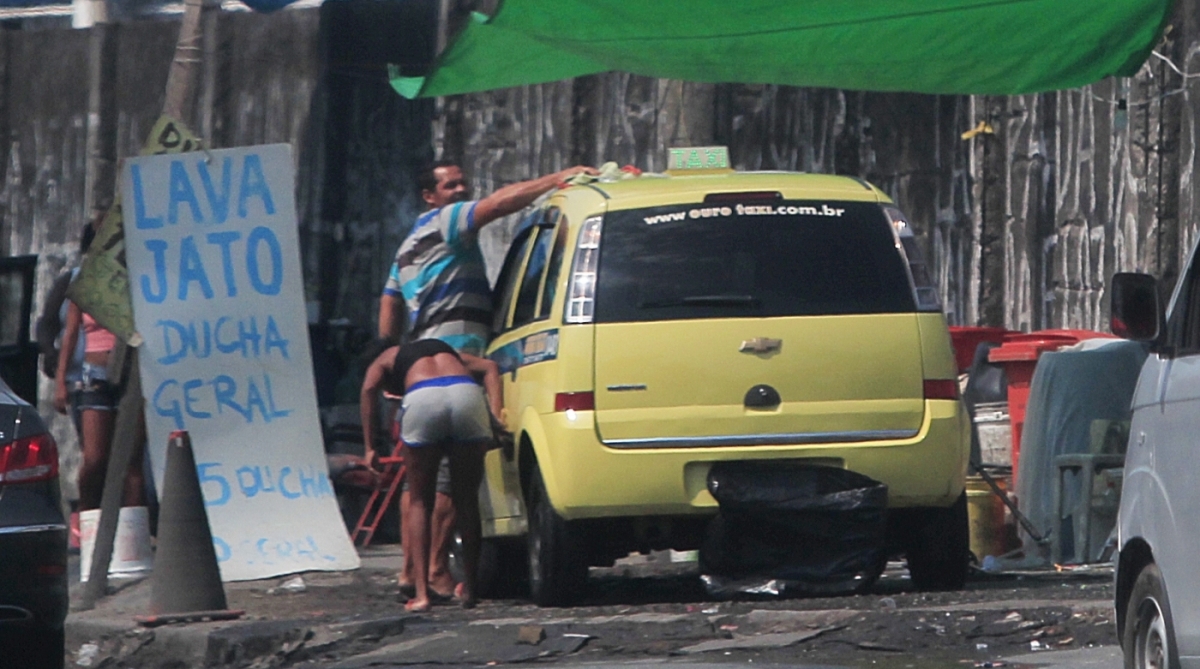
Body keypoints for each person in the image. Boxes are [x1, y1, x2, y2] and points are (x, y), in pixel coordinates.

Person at [377, 161, 597, 598]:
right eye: (450, 184)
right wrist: (556, 180)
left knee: (416, 480)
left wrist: (390, 353)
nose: (461, 191)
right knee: (451, 479)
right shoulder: (449, 222)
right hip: (457, 367)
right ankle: (438, 570)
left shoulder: (407, 246)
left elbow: (389, 303)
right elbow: (497, 205)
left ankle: (409, 571)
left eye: (462, 183)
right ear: (430, 195)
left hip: (419, 367)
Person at [360, 339, 502, 611]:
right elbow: (490, 367)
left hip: (423, 397)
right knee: (467, 500)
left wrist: (370, 447)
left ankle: (423, 594)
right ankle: (471, 590)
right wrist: (495, 418)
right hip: (466, 394)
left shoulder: (386, 357)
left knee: (419, 501)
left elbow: (368, 389)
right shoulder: (444, 350)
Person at [54, 223, 144, 512]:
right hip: (94, 374)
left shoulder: (135, 281)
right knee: (95, 459)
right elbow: (69, 335)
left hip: (130, 374)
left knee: (130, 461)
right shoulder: (86, 283)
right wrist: (60, 380)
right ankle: (86, 520)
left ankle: (134, 535)